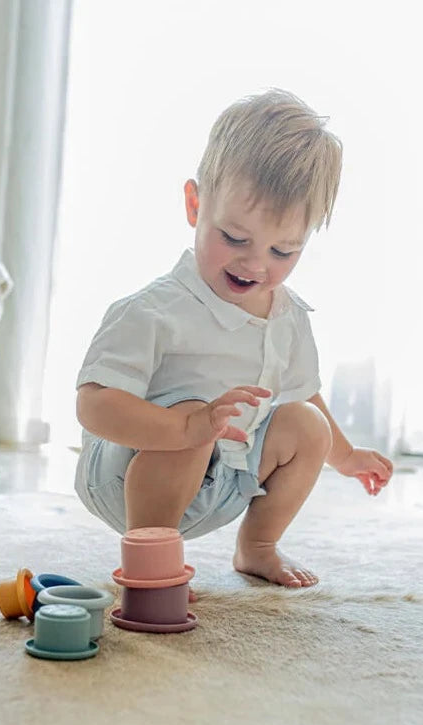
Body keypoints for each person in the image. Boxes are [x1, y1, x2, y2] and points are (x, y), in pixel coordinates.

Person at [74, 88, 393, 590]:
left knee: (308, 424)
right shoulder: (154, 310)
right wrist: (184, 429)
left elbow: (304, 394)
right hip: (129, 475)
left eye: (283, 250)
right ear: (195, 205)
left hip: (225, 484)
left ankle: (258, 545)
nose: (256, 264)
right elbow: (93, 406)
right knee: (195, 417)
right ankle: (149, 559)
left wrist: (346, 455)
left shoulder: (288, 317)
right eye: (235, 238)